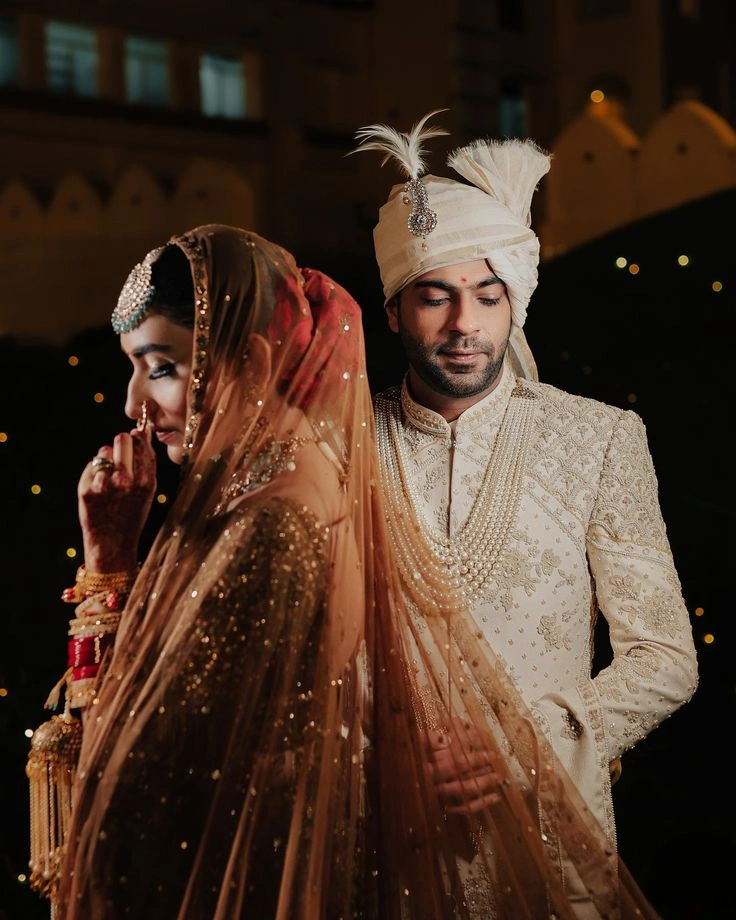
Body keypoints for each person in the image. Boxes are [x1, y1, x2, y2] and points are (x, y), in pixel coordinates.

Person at [350, 111, 699, 918]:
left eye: (486, 294)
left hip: (551, 832)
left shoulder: (598, 438)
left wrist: (522, 746)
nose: (466, 324)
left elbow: (664, 656)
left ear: (515, 301)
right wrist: (386, 757)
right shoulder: (344, 448)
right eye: (435, 297)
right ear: (395, 310)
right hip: (385, 828)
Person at [28, 225, 381, 919]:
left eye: (160, 367)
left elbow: (135, 782)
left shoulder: (272, 526)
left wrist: (106, 570)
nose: (133, 405)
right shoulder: (270, 487)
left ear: (248, 361)